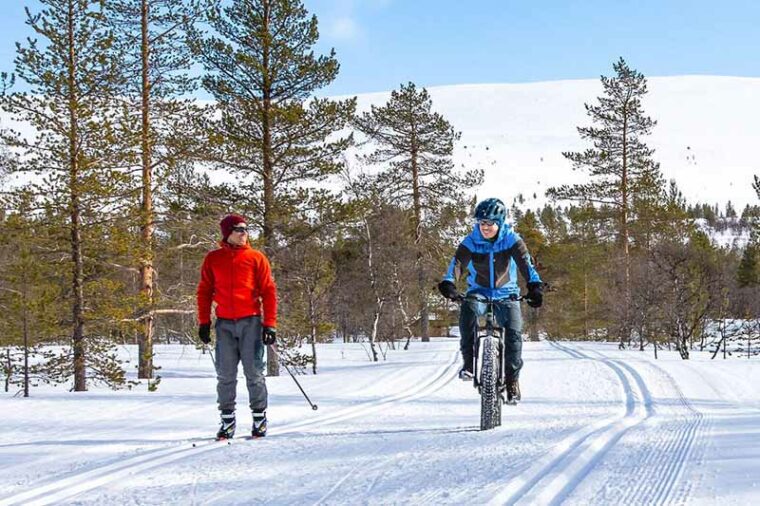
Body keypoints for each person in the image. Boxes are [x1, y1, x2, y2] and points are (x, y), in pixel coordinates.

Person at [438, 198, 543, 403]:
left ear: (500, 222)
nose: (484, 227)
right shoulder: (470, 241)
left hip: (507, 293)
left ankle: (512, 380)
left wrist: (535, 286)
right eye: (481, 223)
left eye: (489, 223)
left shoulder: (512, 240)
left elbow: (526, 265)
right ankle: (469, 364)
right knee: (468, 312)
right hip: (479, 291)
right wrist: (448, 282)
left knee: (513, 333)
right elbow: (457, 264)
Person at [197, 214, 278, 439]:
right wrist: (204, 322)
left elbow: (269, 292)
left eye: (245, 229)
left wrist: (269, 324)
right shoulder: (213, 259)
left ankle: (259, 419)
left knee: (254, 373)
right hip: (224, 324)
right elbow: (204, 292)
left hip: (250, 321)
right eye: (238, 229)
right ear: (227, 233)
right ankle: (227, 421)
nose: (244, 233)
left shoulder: (256, 258)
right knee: (225, 375)